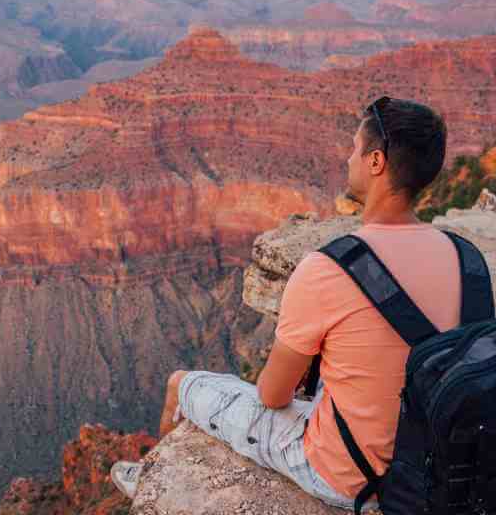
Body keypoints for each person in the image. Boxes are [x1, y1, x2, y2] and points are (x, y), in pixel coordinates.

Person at [111, 97, 462, 510]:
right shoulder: (462, 257)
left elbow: (273, 396)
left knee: (181, 384)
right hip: (431, 464)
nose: (348, 158)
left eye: (354, 148)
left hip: (350, 477)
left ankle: (156, 482)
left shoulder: (331, 268)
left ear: (376, 162)